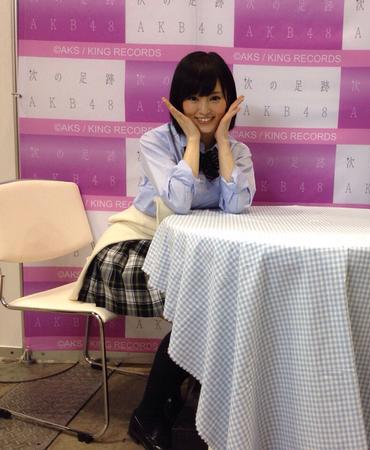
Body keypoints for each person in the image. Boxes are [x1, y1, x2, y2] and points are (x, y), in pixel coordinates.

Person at [71, 51, 256, 450]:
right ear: (177, 101)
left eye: (214, 98)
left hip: (191, 249)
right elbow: (178, 204)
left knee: (226, 295)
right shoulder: (156, 141)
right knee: (206, 302)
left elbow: (237, 207)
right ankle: (151, 411)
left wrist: (222, 143)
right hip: (135, 245)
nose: (203, 110)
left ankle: (177, 396)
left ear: (229, 101)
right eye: (193, 98)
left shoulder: (237, 151)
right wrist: (194, 142)